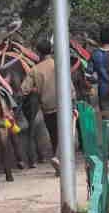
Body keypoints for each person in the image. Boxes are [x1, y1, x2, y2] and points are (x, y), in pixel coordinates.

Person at [20, 37, 74, 173]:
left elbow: (23, 90)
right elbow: (71, 87)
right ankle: (60, 160)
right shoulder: (60, 64)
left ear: (38, 52)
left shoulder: (35, 70)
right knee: (66, 135)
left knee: (54, 136)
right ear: (51, 50)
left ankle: (59, 167)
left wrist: (36, 88)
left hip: (48, 109)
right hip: (65, 105)